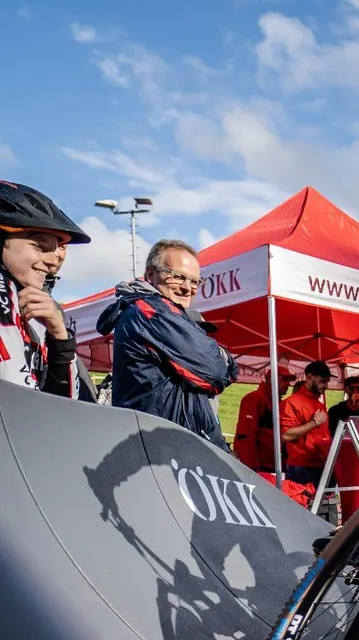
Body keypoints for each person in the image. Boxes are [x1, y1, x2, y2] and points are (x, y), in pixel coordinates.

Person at [99, 237, 237, 445]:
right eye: (178, 277)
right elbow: (215, 371)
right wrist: (220, 356)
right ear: (151, 274)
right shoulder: (151, 311)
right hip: (164, 446)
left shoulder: (165, 312)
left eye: (194, 281)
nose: (186, 287)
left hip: (175, 442)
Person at [0, 181, 93, 399]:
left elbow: (66, 406)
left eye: (57, 249)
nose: (53, 261)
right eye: (40, 247)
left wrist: (60, 336)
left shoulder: (38, 306)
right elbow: (22, 402)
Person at [279, 360, 333, 491]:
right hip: (301, 467)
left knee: (323, 509)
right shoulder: (291, 402)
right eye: (323, 381)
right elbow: (286, 435)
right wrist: (314, 423)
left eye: (327, 381)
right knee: (300, 508)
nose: (326, 385)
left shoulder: (319, 404)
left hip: (322, 465)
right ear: (309, 377)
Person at [233, 362, 290, 471]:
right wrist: (252, 468)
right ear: (271, 379)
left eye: (289, 380)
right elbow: (245, 436)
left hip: (274, 466)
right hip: (260, 467)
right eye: (284, 379)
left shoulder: (278, 403)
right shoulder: (255, 399)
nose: (288, 383)